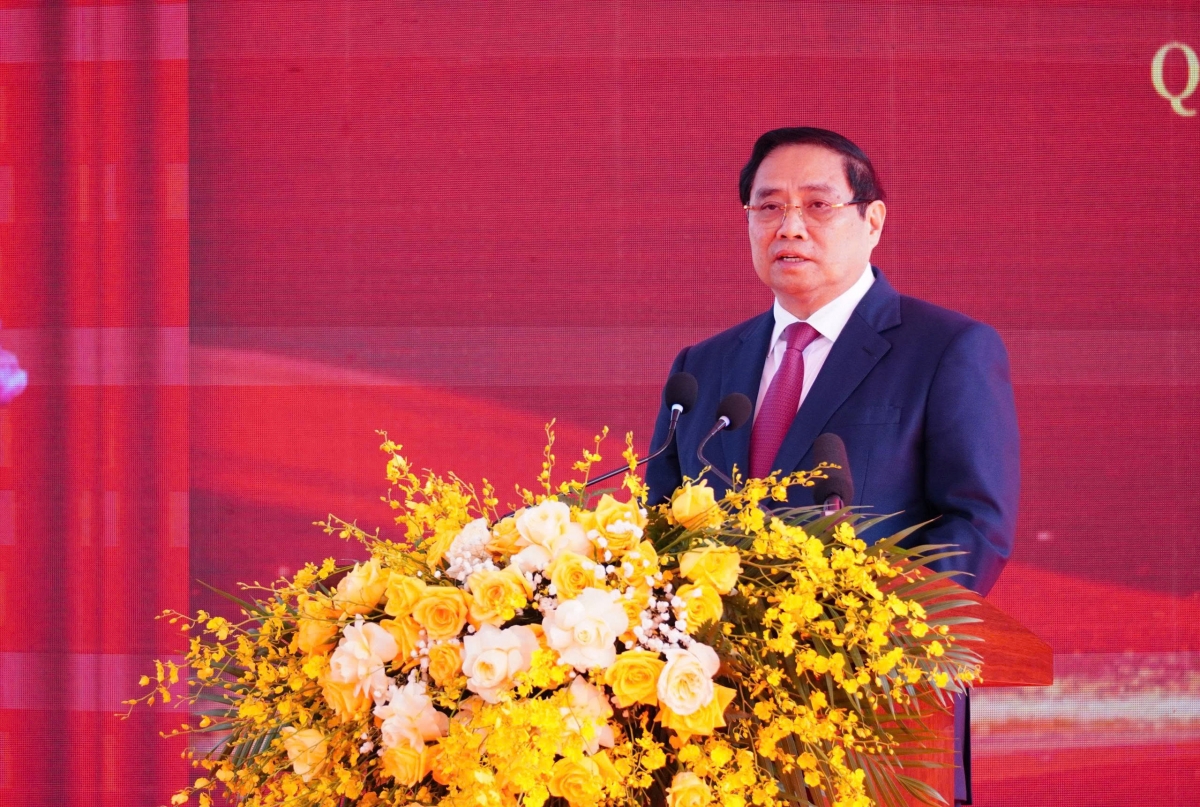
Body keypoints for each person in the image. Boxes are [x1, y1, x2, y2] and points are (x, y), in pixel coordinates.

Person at [645, 127, 1020, 805]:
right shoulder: (703, 366)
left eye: (817, 205)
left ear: (872, 221)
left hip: (873, 722)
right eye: (768, 207)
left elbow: (976, 524)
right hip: (711, 729)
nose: (789, 226)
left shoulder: (947, 348)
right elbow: (660, 524)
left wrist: (858, 639)